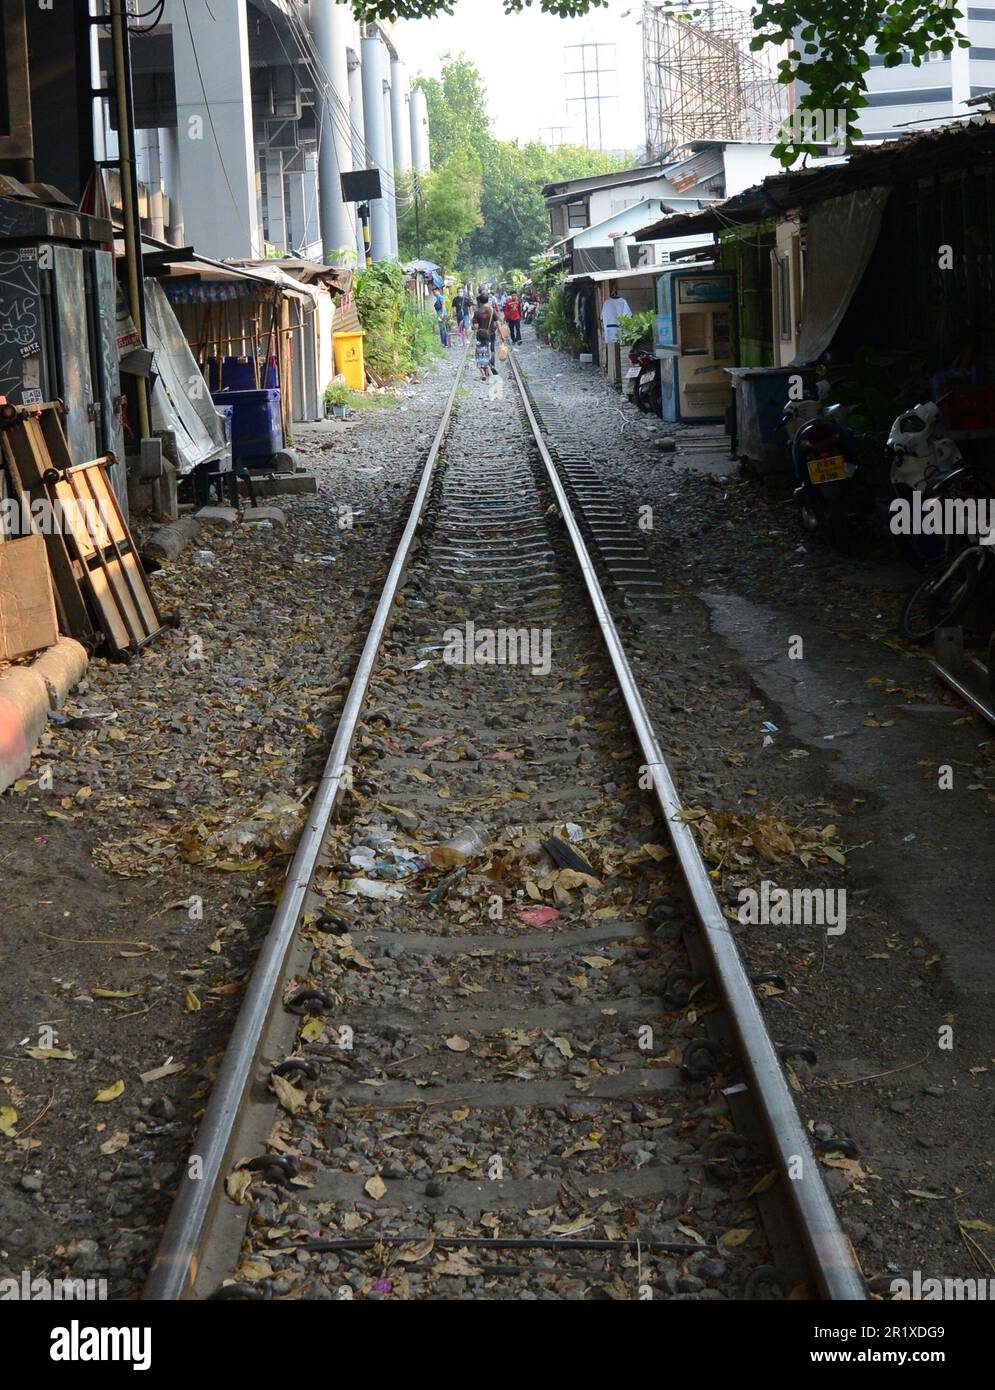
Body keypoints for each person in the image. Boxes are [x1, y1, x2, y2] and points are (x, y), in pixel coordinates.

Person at [473, 291, 499, 373]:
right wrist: (502, 335)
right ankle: (492, 365)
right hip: (491, 333)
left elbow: (475, 326)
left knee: (481, 350)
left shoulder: (477, 312)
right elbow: (498, 323)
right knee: (492, 349)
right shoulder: (492, 310)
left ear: (480, 301)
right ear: (488, 300)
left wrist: (477, 328)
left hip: (481, 336)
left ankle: (484, 367)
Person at [600, 283, 633, 347]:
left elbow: (601, 318)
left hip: (610, 330)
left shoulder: (606, 303)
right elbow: (629, 316)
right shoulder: (622, 302)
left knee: (611, 348)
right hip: (618, 329)